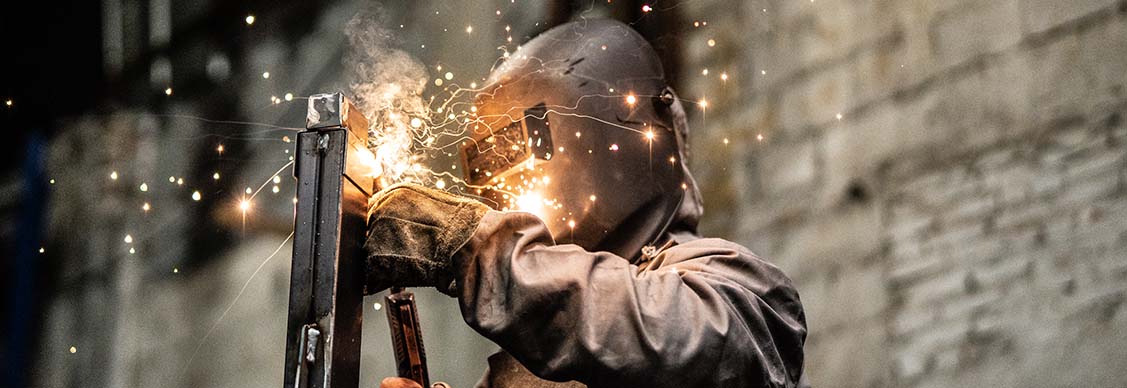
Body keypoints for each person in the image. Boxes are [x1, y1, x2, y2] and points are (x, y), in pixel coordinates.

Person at [365, 19, 807, 388]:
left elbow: (655, 336)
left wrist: (467, 245)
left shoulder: (742, 297)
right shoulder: (527, 358)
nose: (514, 183)